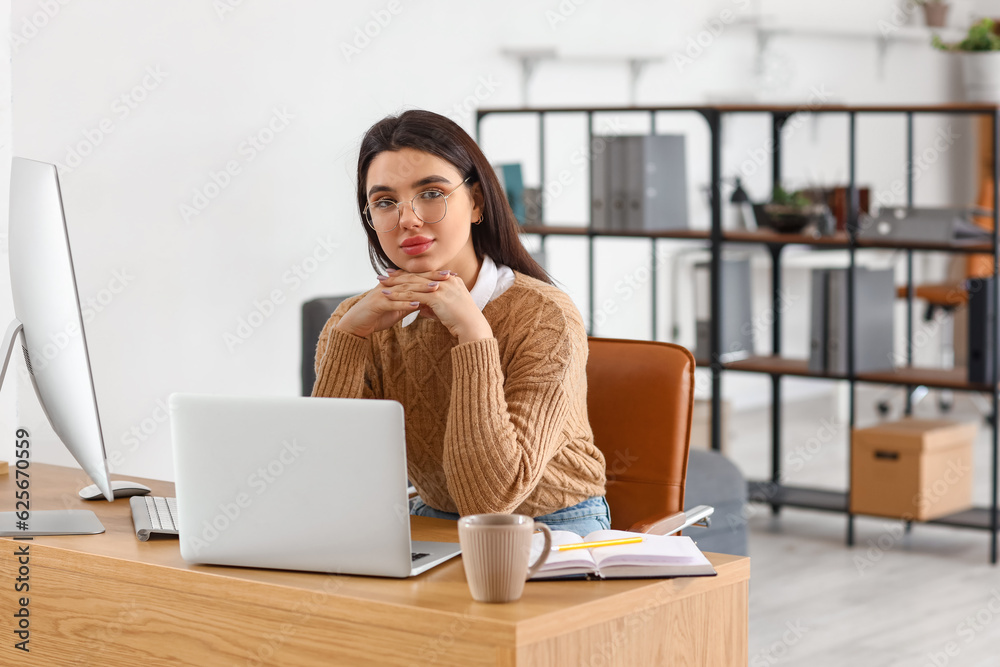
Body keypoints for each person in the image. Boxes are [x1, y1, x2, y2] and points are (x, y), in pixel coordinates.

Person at [312, 109, 609, 536]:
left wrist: (473, 335)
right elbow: (329, 477)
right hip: (432, 518)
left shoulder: (546, 316)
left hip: (553, 525)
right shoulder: (359, 321)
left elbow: (490, 498)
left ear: (476, 202)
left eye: (431, 193)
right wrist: (347, 338)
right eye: (385, 202)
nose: (408, 219)